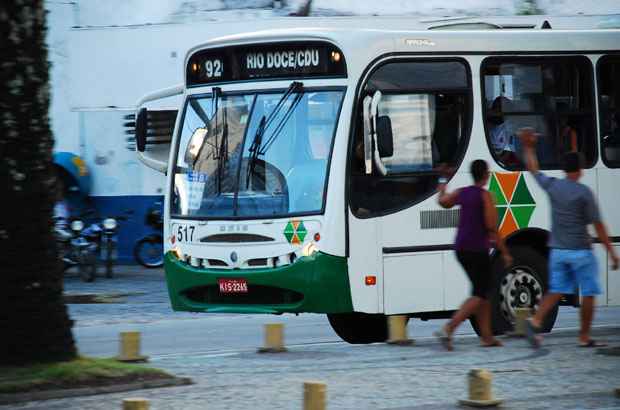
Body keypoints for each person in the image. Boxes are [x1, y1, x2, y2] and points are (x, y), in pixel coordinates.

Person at [519, 127, 619, 348]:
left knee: (556, 290)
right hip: (581, 252)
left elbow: (534, 170)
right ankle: (584, 336)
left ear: (565, 169)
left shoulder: (554, 186)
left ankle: (535, 320)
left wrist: (527, 147)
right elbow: (599, 226)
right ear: (581, 169)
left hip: (558, 251)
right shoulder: (584, 193)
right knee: (590, 292)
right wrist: (612, 253)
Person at [434, 160, 513, 350]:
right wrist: (505, 252)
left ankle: (486, 337)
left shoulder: (462, 192)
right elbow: (492, 227)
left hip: (461, 249)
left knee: (483, 292)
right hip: (477, 250)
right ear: (485, 175)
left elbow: (443, 202)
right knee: (479, 293)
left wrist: (443, 179)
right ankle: (449, 328)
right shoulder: (486, 196)